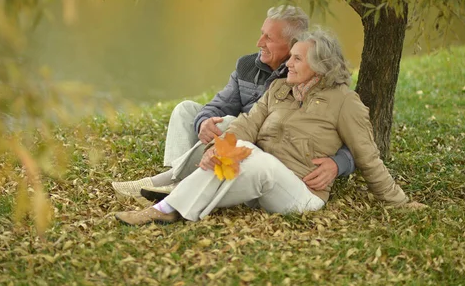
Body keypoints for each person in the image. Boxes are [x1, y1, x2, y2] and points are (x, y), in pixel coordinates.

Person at [114, 29, 410, 225]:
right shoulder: (279, 89)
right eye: (290, 56)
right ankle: (165, 208)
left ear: (319, 67)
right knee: (231, 153)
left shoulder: (345, 102)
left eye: (296, 59)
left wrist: (400, 203)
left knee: (245, 154)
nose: (288, 64)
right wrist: (214, 150)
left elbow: (368, 157)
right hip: (260, 183)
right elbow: (246, 125)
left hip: (301, 194)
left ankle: (166, 207)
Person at [111, 6, 355, 199]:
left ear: (292, 46)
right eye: (262, 33)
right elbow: (218, 105)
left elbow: (349, 138)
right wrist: (203, 122)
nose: (259, 42)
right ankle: (177, 181)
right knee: (187, 110)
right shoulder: (247, 65)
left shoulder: (306, 76)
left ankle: (171, 183)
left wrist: (338, 164)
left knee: (229, 125)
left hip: (263, 151)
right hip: (235, 140)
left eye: (268, 38)